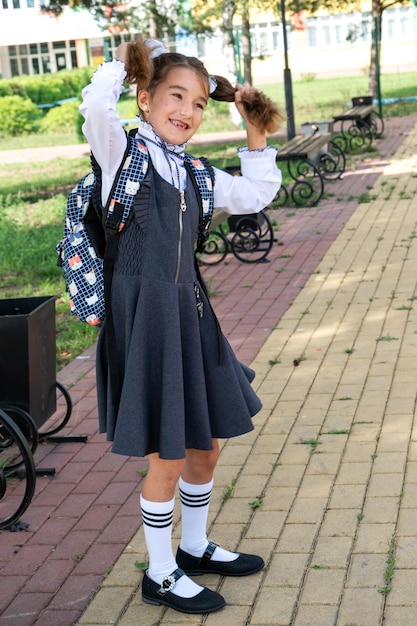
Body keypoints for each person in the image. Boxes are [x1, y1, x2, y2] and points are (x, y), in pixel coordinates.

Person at [79, 36, 283, 615]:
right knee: (168, 454)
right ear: (143, 99)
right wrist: (122, 63)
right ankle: (161, 573)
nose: (187, 112)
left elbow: (256, 192)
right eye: (174, 97)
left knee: (207, 445)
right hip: (146, 319)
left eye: (197, 103)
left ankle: (193, 548)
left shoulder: (191, 168)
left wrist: (253, 125)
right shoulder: (122, 152)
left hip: (190, 314)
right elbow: (97, 109)